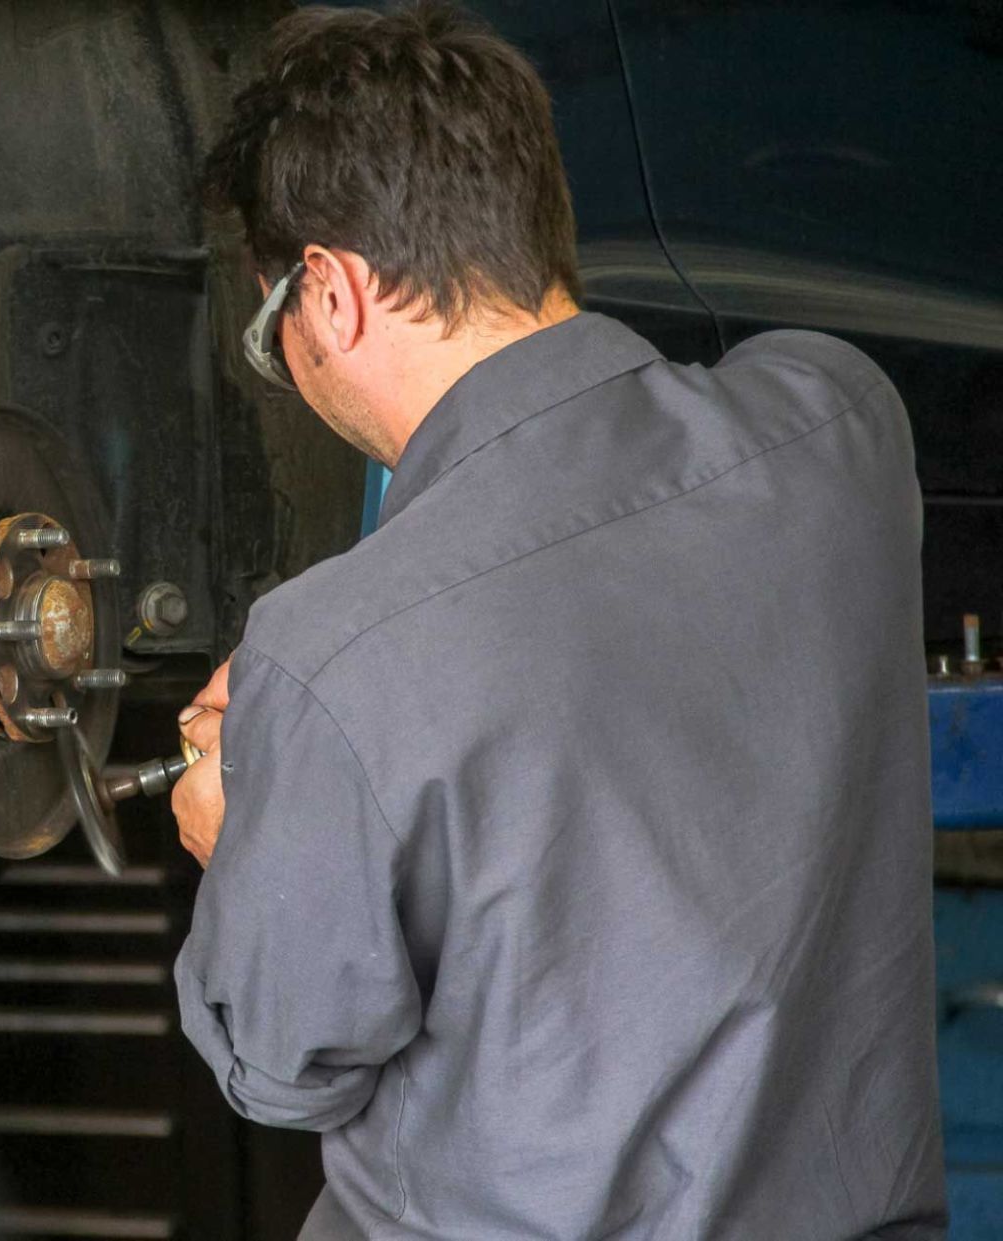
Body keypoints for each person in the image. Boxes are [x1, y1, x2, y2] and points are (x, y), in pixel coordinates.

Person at [168, 3, 946, 1237]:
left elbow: (284, 1068)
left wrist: (248, 833)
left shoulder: (330, 654)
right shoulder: (843, 423)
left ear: (331, 290)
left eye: (280, 336)